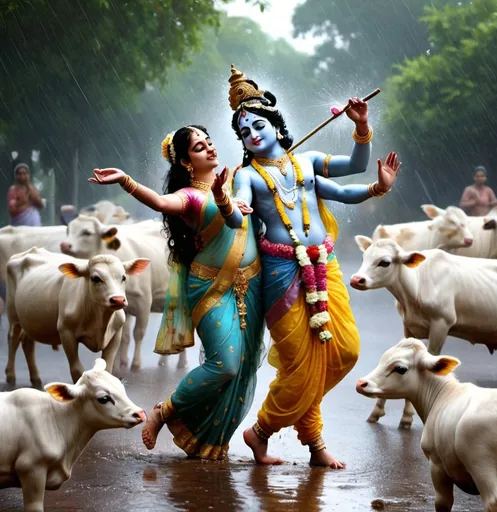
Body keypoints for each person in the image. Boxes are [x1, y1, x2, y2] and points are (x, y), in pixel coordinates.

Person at [213, 65, 401, 468]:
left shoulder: (308, 162)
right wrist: (227, 202)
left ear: (277, 127)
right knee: (301, 363)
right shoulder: (247, 175)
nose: (253, 134)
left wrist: (365, 136)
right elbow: (236, 217)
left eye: (258, 125)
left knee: (343, 350)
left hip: (324, 266)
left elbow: (351, 175)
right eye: (245, 132)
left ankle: (262, 429)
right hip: (281, 275)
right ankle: (301, 442)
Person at [89, 125, 265, 460]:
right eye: (200, 147)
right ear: (186, 161)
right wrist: (126, 180)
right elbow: (162, 202)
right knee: (226, 364)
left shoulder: (237, 178)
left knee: (244, 366)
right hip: (211, 286)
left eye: (210, 142)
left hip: (250, 285)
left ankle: (208, 437)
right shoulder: (190, 197)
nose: (210, 149)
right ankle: (163, 411)